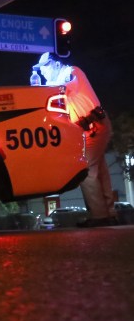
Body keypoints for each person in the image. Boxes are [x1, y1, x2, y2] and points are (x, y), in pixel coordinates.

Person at [34, 52, 117, 227]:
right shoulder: (59, 80)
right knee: (99, 171)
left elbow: (60, 89)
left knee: (86, 170)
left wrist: (39, 87)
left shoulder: (72, 72)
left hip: (95, 127)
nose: (43, 73)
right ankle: (109, 213)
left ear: (56, 64)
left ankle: (100, 215)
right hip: (91, 129)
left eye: (45, 68)